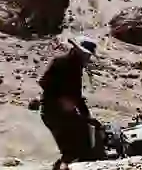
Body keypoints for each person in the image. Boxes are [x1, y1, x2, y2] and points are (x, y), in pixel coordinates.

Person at [39, 36, 98, 170]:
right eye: (86, 55)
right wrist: (61, 99)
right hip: (52, 111)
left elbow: (77, 97)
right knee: (71, 148)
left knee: (81, 142)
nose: (88, 59)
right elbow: (44, 83)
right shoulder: (60, 62)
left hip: (64, 113)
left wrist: (87, 116)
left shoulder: (76, 68)